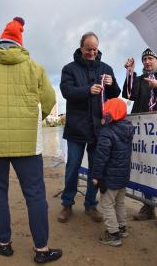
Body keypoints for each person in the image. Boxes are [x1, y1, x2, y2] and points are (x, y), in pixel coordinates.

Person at [0, 17, 62, 264]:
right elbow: (49, 99)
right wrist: (34, 118)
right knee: (35, 194)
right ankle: (41, 249)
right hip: (27, 142)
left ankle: (3, 243)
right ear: (19, 43)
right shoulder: (35, 68)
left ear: (1, 42)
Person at [58, 32, 121, 223]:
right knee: (72, 168)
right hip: (76, 129)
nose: (92, 52)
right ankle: (67, 204)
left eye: (95, 49)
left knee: (96, 169)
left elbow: (115, 94)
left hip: (99, 129)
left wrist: (111, 84)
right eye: (88, 49)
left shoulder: (106, 68)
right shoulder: (69, 69)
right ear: (81, 47)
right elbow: (66, 91)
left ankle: (90, 205)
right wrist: (87, 90)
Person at [92, 98, 134, 247]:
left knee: (107, 204)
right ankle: (122, 228)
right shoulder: (128, 128)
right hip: (123, 175)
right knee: (120, 202)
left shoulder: (107, 132)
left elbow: (101, 157)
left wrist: (96, 176)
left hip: (110, 177)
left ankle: (113, 234)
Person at [122, 48, 157, 221]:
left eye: (150, 58)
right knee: (146, 166)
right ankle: (148, 207)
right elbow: (129, 94)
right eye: (145, 59)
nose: (147, 62)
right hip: (144, 133)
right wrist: (129, 72)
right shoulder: (139, 78)